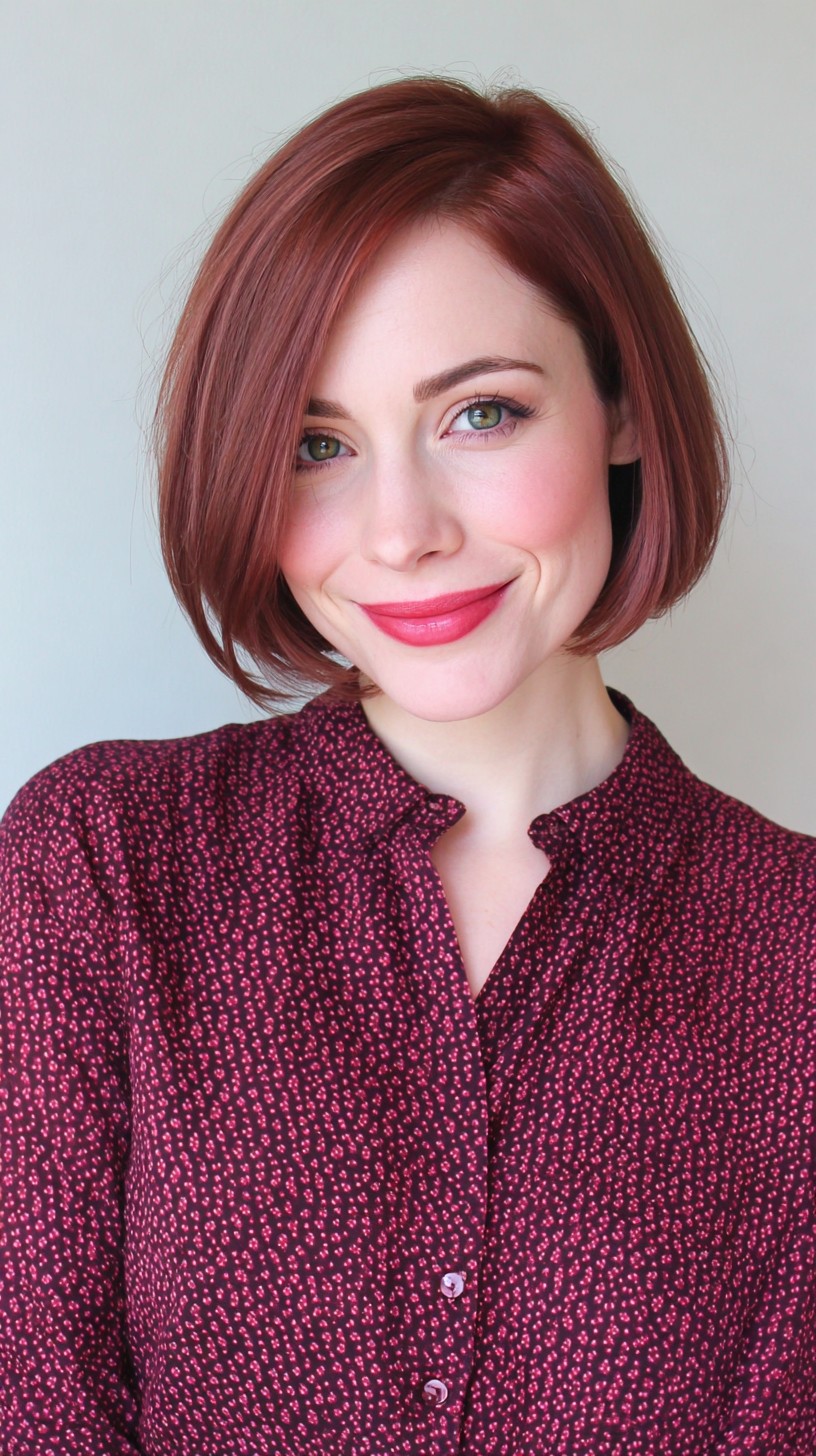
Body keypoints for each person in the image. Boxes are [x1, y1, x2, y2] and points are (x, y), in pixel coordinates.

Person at [1, 74, 814, 1456]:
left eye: (480, 413)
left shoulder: (795, 952)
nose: (400, 531)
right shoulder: (104, 860)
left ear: (621, 408)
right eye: (317, 445)